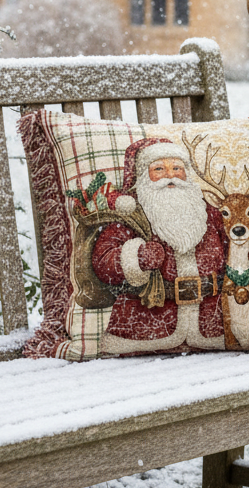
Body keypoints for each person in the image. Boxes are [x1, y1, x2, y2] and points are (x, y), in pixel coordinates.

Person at [89, 138, 231, 353]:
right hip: (145, 327)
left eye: (177, 168)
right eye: (159, 169)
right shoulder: (132, 213)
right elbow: (102, 261)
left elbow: (233, 243)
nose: (170, 175)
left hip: (211, 325)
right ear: (144, 176)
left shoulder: (206, 210)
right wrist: (136, 258)